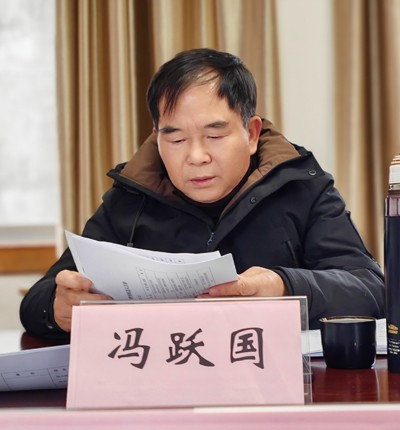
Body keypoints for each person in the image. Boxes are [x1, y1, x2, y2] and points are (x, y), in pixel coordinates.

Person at [20, 48, 385, 340]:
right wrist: (57, 308)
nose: (196, 157)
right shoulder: (131, 198)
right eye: (176, 139)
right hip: (162, 384)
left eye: (214, 135)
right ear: (157, 137)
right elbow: (39, 299)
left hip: (279, 385)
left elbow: (372, 291)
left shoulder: (302, 187)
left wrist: (285, 286)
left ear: (251, 133)